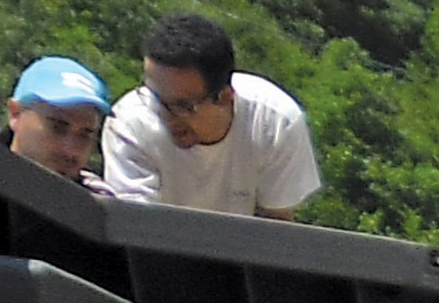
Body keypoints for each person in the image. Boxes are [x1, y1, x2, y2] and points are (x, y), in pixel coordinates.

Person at [101, 15, 319, 219]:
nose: (167, 117)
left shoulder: (276, 123)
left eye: (183, 105)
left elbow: (276, 230)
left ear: (225, 97)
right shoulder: (128, 123)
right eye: (155, 98)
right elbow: (137, 227)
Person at [3, 56, 109, 187]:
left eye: (85, 135)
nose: (70, 151)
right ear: (16, 114)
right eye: (57, 128)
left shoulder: (99, 201)